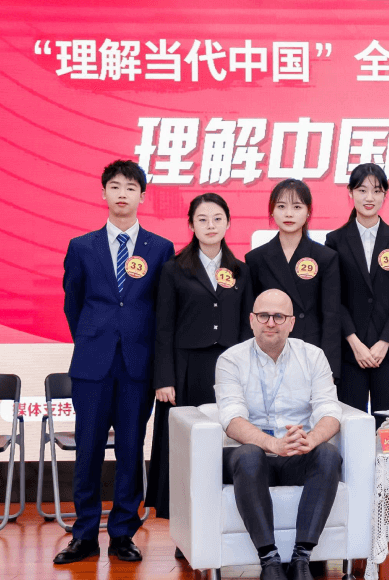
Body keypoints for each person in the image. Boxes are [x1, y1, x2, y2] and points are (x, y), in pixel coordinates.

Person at [56, 160, 174, 564]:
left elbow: (162, 310)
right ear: (103, 193)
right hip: (93, 366)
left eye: (131, 187)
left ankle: (123, 533)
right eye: (115, 186)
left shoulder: (160, 248)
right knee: (87, 450)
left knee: (130, 449)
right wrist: (95, 339)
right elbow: (73, 304)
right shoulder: (81, 246)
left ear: (143, 196)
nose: (122, 193)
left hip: (137, 366)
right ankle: (84, 535)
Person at [214, 289, 343, 580]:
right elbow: (231, 418)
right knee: (249, 454)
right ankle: (269, 561)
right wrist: (272, 443)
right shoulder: (231, 359)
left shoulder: (313, 356)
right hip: (250, 459)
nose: (270, 323)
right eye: (263, 316)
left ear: (291, 323)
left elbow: (330, 410)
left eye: (279, 316)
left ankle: (301, 558)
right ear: (252, 320)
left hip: (297, 454)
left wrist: (311, 439)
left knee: (328, 453)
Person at [146, 193, 253, 531]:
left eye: (217, 219)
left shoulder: (241, 271)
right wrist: (164, 378)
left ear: (228, 223)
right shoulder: (174, 269)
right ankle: (185, 527)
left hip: (229, 371)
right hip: (185, 370)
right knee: (185, 447)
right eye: (202, 219)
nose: (210, 225)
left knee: (226, 442)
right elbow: (163, 328)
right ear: (191, 225)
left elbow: (248, 327)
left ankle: (224, 522)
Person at [325, 163, 389, 427]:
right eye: (362, 190)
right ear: (350, 193)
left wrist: (384, 342)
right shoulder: (335, 240)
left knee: (388, 427)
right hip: (349, 352)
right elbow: (334, 297)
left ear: (385, 194)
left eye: (376, 191)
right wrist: (354, 342)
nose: (369, 197)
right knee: (351, 426)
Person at [245, 179, 342, 380]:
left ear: (308, 212)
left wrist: (329, 368)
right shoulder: (255, 259)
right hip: (268, 354)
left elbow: (331, 317)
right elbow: (250, 317)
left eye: (297, 207)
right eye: (281, 206)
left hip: (310, 354)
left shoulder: (325, 257)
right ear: (272, 212)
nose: (289, 214)